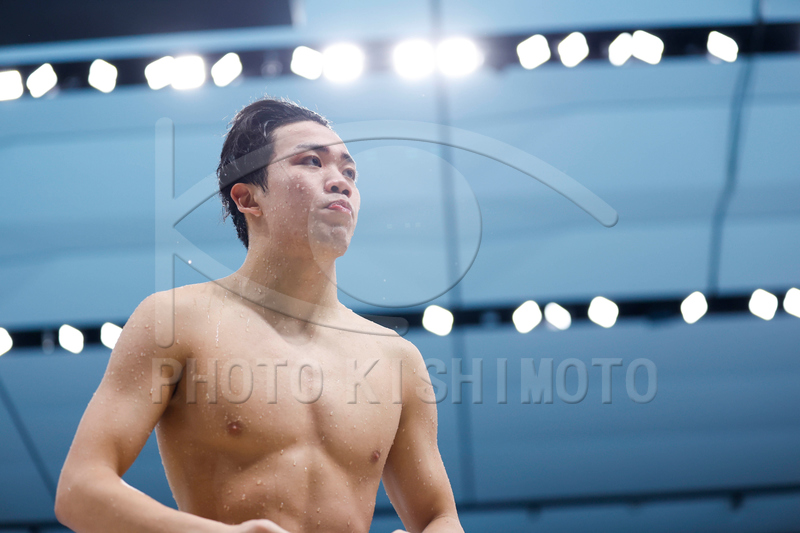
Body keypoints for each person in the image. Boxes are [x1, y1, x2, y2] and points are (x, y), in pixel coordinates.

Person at [54, 97, 464, 533]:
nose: (340, 182)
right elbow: (80, 490)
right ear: (248, 197)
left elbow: (440, 518)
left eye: (349, 172)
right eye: (311, 161)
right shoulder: (176, 322)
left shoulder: (396, 358)